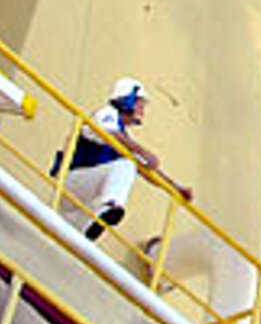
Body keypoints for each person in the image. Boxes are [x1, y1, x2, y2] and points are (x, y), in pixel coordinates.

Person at [61, 79, 190, 240]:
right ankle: (110, 207)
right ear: (127, 99)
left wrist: (176, 187)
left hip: (82, 201)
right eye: (140, 104)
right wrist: (143, 151)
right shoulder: (106, 114)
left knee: (76, 241)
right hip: (72, 182)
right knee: (127, 165)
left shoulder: (124, 143)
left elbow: (147, 170)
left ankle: (101, 217)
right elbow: (111, 134)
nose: (142, 110)